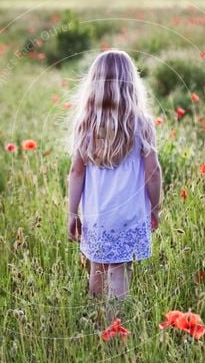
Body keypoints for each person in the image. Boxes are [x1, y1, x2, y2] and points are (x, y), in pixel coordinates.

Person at [66, 49, 162, 304]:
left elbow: (76, 172)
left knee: (96, 266)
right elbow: (152, 172)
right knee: (118, 270)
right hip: (129, 215)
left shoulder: (86, 124)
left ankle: (95, 321)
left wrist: (72, 213)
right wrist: (155, 208)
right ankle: (116, 329)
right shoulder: (141, 124)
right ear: (131, 83)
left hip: (97, 215)